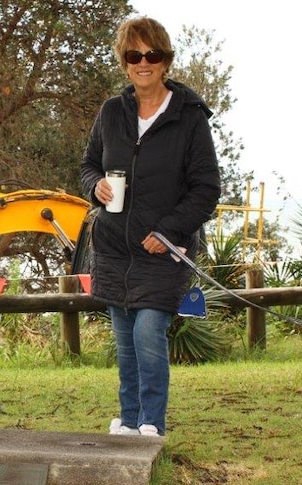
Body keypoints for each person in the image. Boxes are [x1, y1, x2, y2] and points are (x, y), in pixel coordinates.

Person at [79, 16, 221, 437]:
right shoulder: (110, 112)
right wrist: (96, 186)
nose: (143, 63)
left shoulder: (190, 117)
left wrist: (170, 232)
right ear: (124, 63)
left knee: (147, 331)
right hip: (112, 248)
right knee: (125, 343)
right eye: (133, 55)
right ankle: (127, 420)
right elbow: (88, 165)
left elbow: (206, 188)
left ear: (165, 61)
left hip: (162, 249)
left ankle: (151, 424)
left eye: (151, 55)